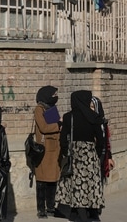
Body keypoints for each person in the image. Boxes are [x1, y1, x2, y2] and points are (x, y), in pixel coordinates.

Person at [55, 90, 105, 222]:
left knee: (77, 184)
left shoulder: (68, 117)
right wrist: (97, 154)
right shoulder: (93, 117)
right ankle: (93, 213)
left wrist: (67, 151)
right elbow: (101, 139)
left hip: (75, 154)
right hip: (90, 155)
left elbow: (62, 139)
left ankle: (80, 214)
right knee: (90, 184)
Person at [34, 85, 62, 219]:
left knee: (53, 181)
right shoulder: (39, 109)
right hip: (44, 150)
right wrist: (59, 125)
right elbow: (44, 127)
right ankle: (41, 210)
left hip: (55, 149)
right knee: (42, 181)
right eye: (53, 94)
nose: (55, 97)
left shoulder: (51, 108)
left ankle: (51, 208)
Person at [87, 96, 115, 220]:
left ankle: (96, 206)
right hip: (89, 156)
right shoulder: (86, 121)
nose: (91, 109)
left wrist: (109, 157)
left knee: (99, 181)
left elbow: (107, 142)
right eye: (89, 107)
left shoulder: (103, 122)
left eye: (93, 107)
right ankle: (89, 207)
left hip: (102, 155)